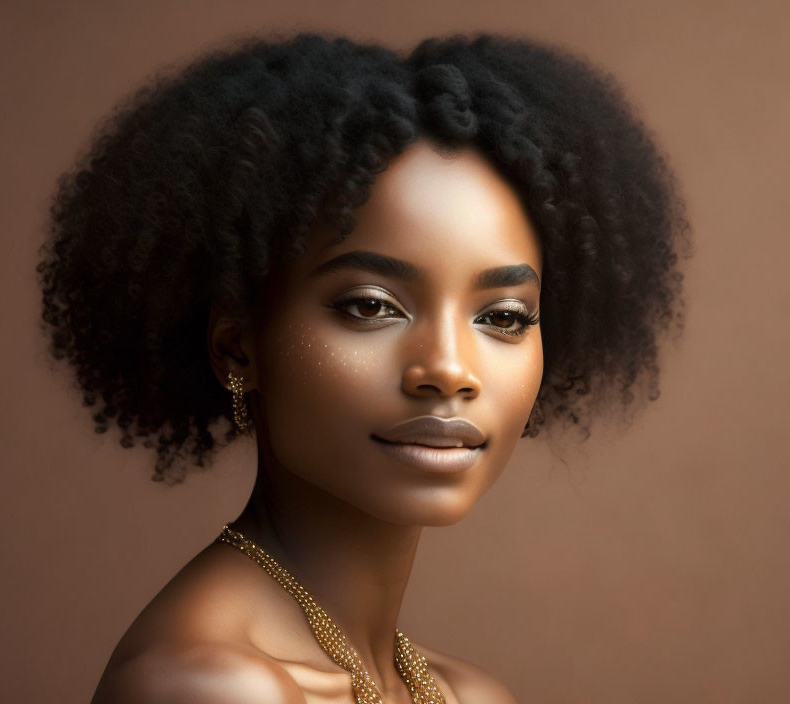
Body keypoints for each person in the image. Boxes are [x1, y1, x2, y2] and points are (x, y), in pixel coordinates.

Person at [37, 31, 687, 704]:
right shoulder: (210, 689)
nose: (448, 369)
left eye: (502, 317)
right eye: (372, 306)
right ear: (239, 347)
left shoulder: (470, 696)